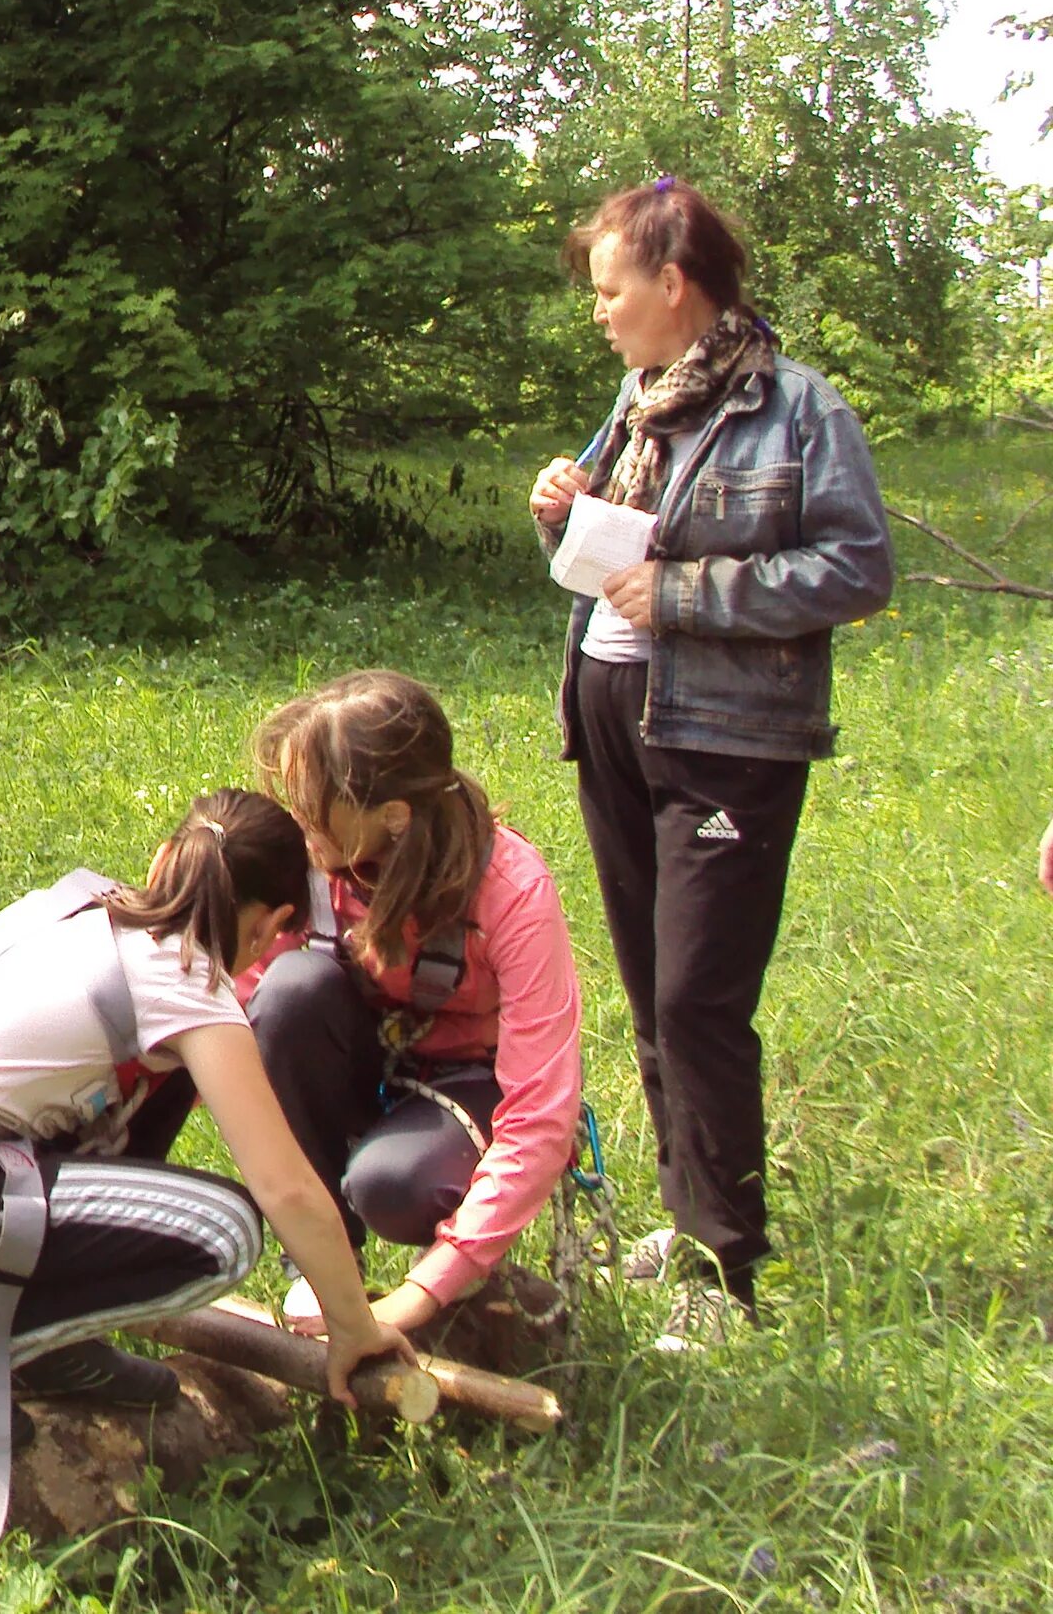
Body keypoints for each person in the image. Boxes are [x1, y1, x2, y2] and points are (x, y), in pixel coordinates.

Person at [0, 791, 414, 1539]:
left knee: (172, 1088)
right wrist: (355, 1327)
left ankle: (41, 1341)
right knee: (226, 1232)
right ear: (272, 928)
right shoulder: (186, 981)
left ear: (167, 861)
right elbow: (286, 1188)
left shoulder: (87, 909)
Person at [528, 177, 892, 1347]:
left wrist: (686, 595)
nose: (600, 312)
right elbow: (619, 548)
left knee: (698, 998)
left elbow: (856, 568)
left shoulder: (798, 412)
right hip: (616, 726)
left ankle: (725, 1270)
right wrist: (564, 508)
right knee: (650, 989)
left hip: (724, 742)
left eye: (611, 289)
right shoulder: (638, 402)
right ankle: (692, 1219)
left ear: (672, 284)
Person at [245, 670, 584, 1349]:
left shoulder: (509, 890)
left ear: (393, 815)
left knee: (391, 1185)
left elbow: (541, 1118)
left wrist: (417, 1296)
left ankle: (461, 1282)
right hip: (364, 1062)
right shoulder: (314, 862)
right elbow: (233, 1008)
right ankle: (322, 1260)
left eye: (313, 805)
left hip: (467, 1086)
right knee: (289, 993)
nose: (298, 821)